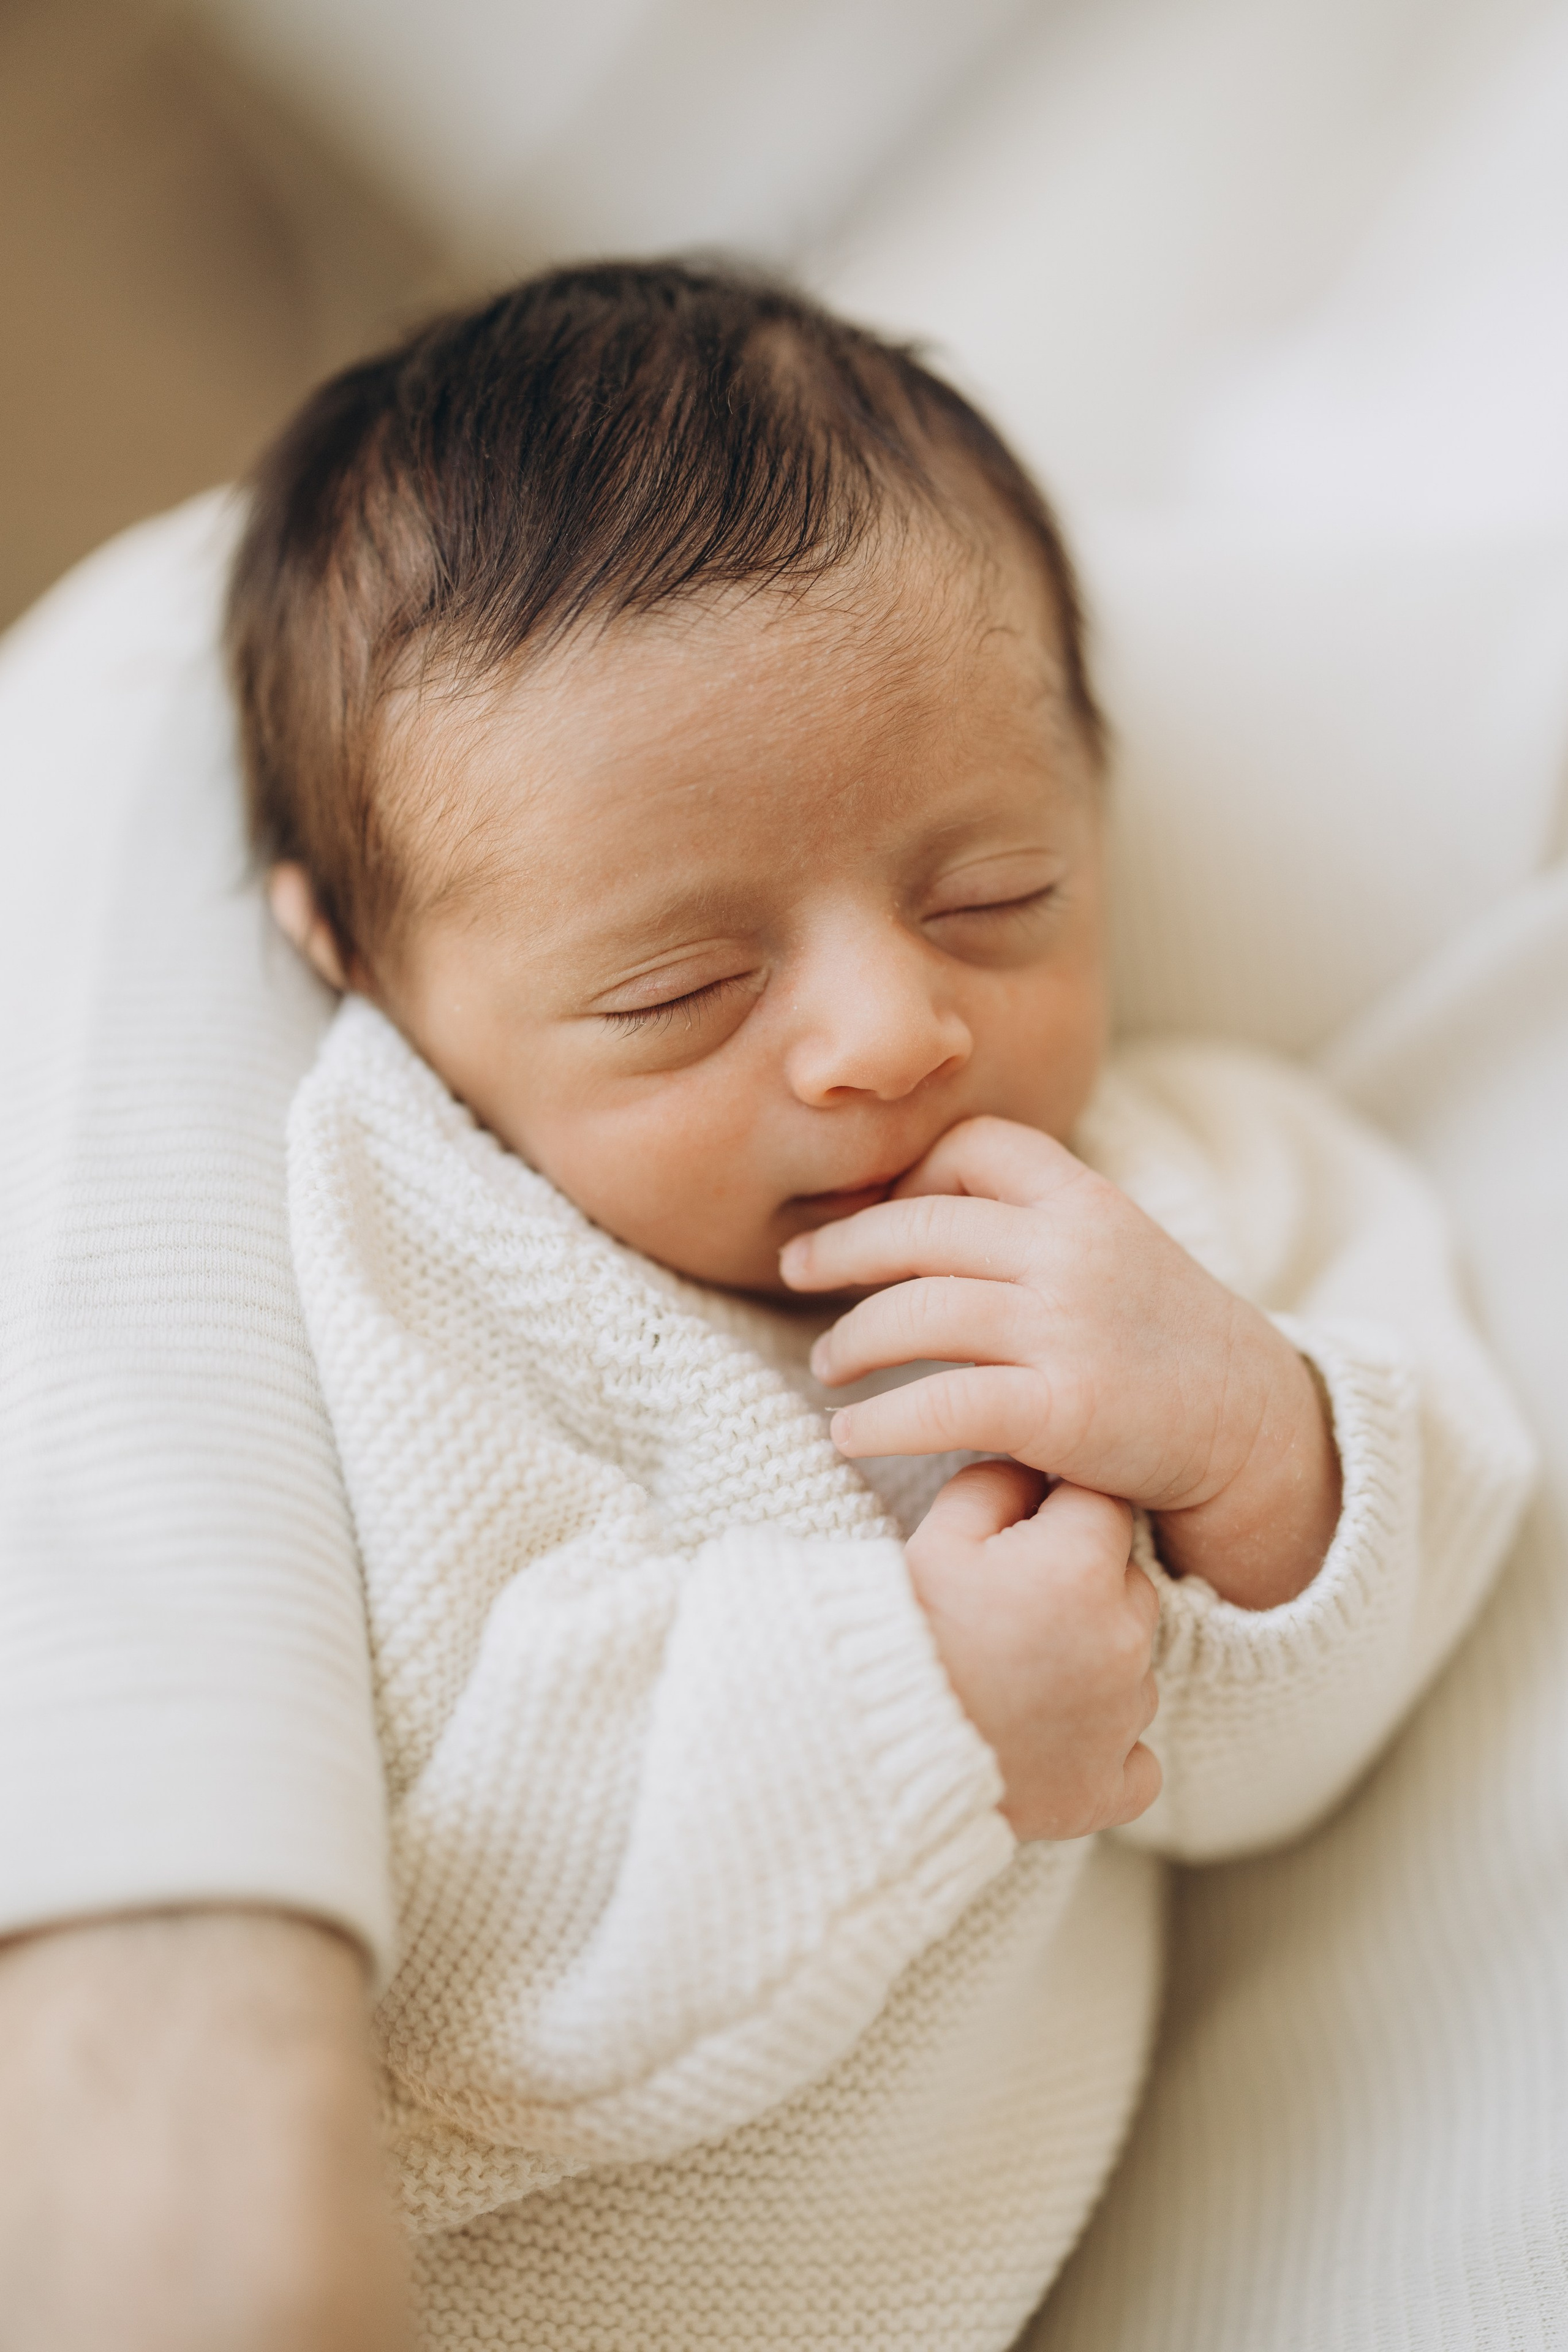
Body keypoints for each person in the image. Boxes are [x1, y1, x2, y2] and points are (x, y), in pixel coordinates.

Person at [0, 261, 1533, 2349]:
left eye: (996, 894)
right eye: (680, 994)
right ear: (361, 967)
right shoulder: (413, 1247)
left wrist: (1259, 1442)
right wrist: (923, 1707)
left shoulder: (1188, 1180)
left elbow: (1322, 1714)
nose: (890, 1034)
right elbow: (470, 1946)